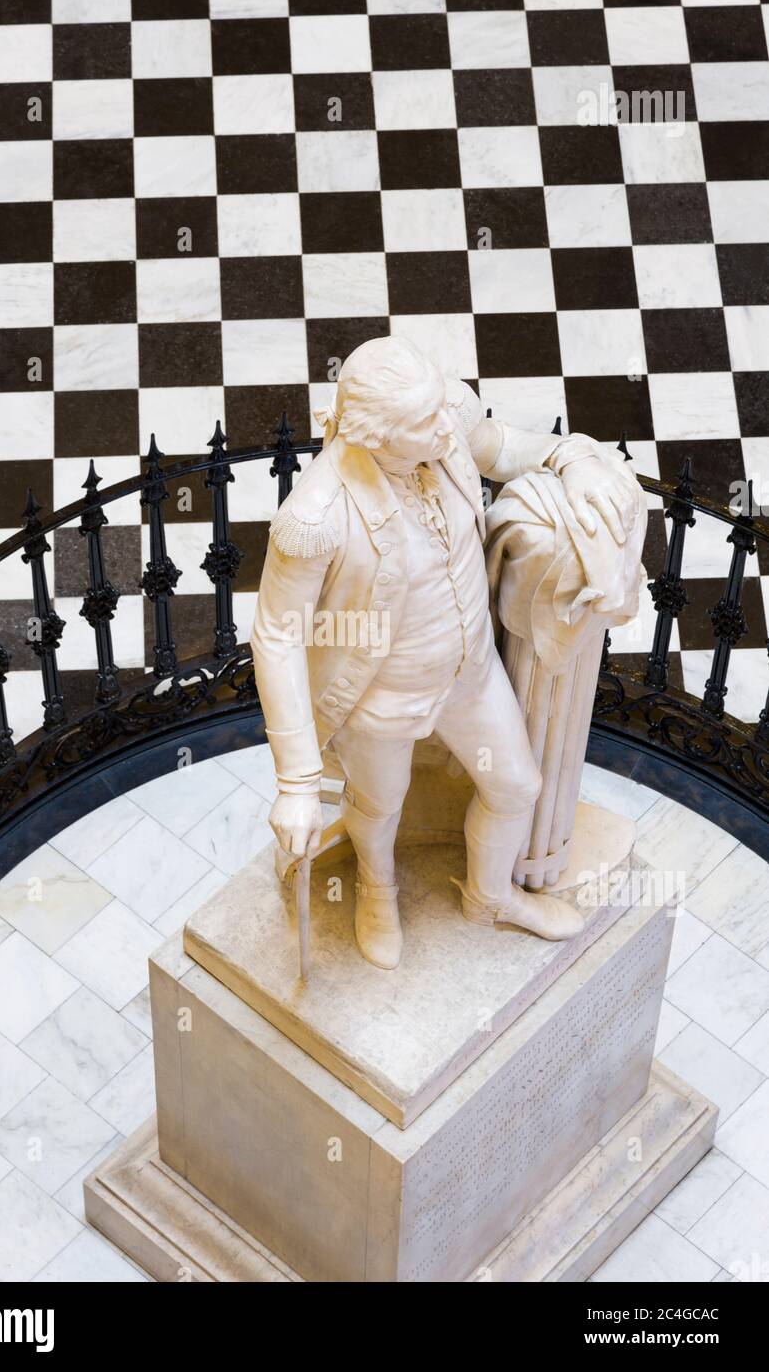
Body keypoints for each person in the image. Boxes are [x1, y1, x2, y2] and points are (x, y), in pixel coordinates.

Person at [251, 337, 638, 969]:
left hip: (469, 674)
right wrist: (294, 782)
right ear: (373, 437)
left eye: (440, 412)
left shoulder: (441, 429)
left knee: (517, 785)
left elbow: (505, 446)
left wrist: (574, 459)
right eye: (424, 424)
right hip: (384, 697)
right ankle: (378, 892)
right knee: (378, 806)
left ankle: (489, 897)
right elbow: (276, 636)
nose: (446, 428)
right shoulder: (316, 516)